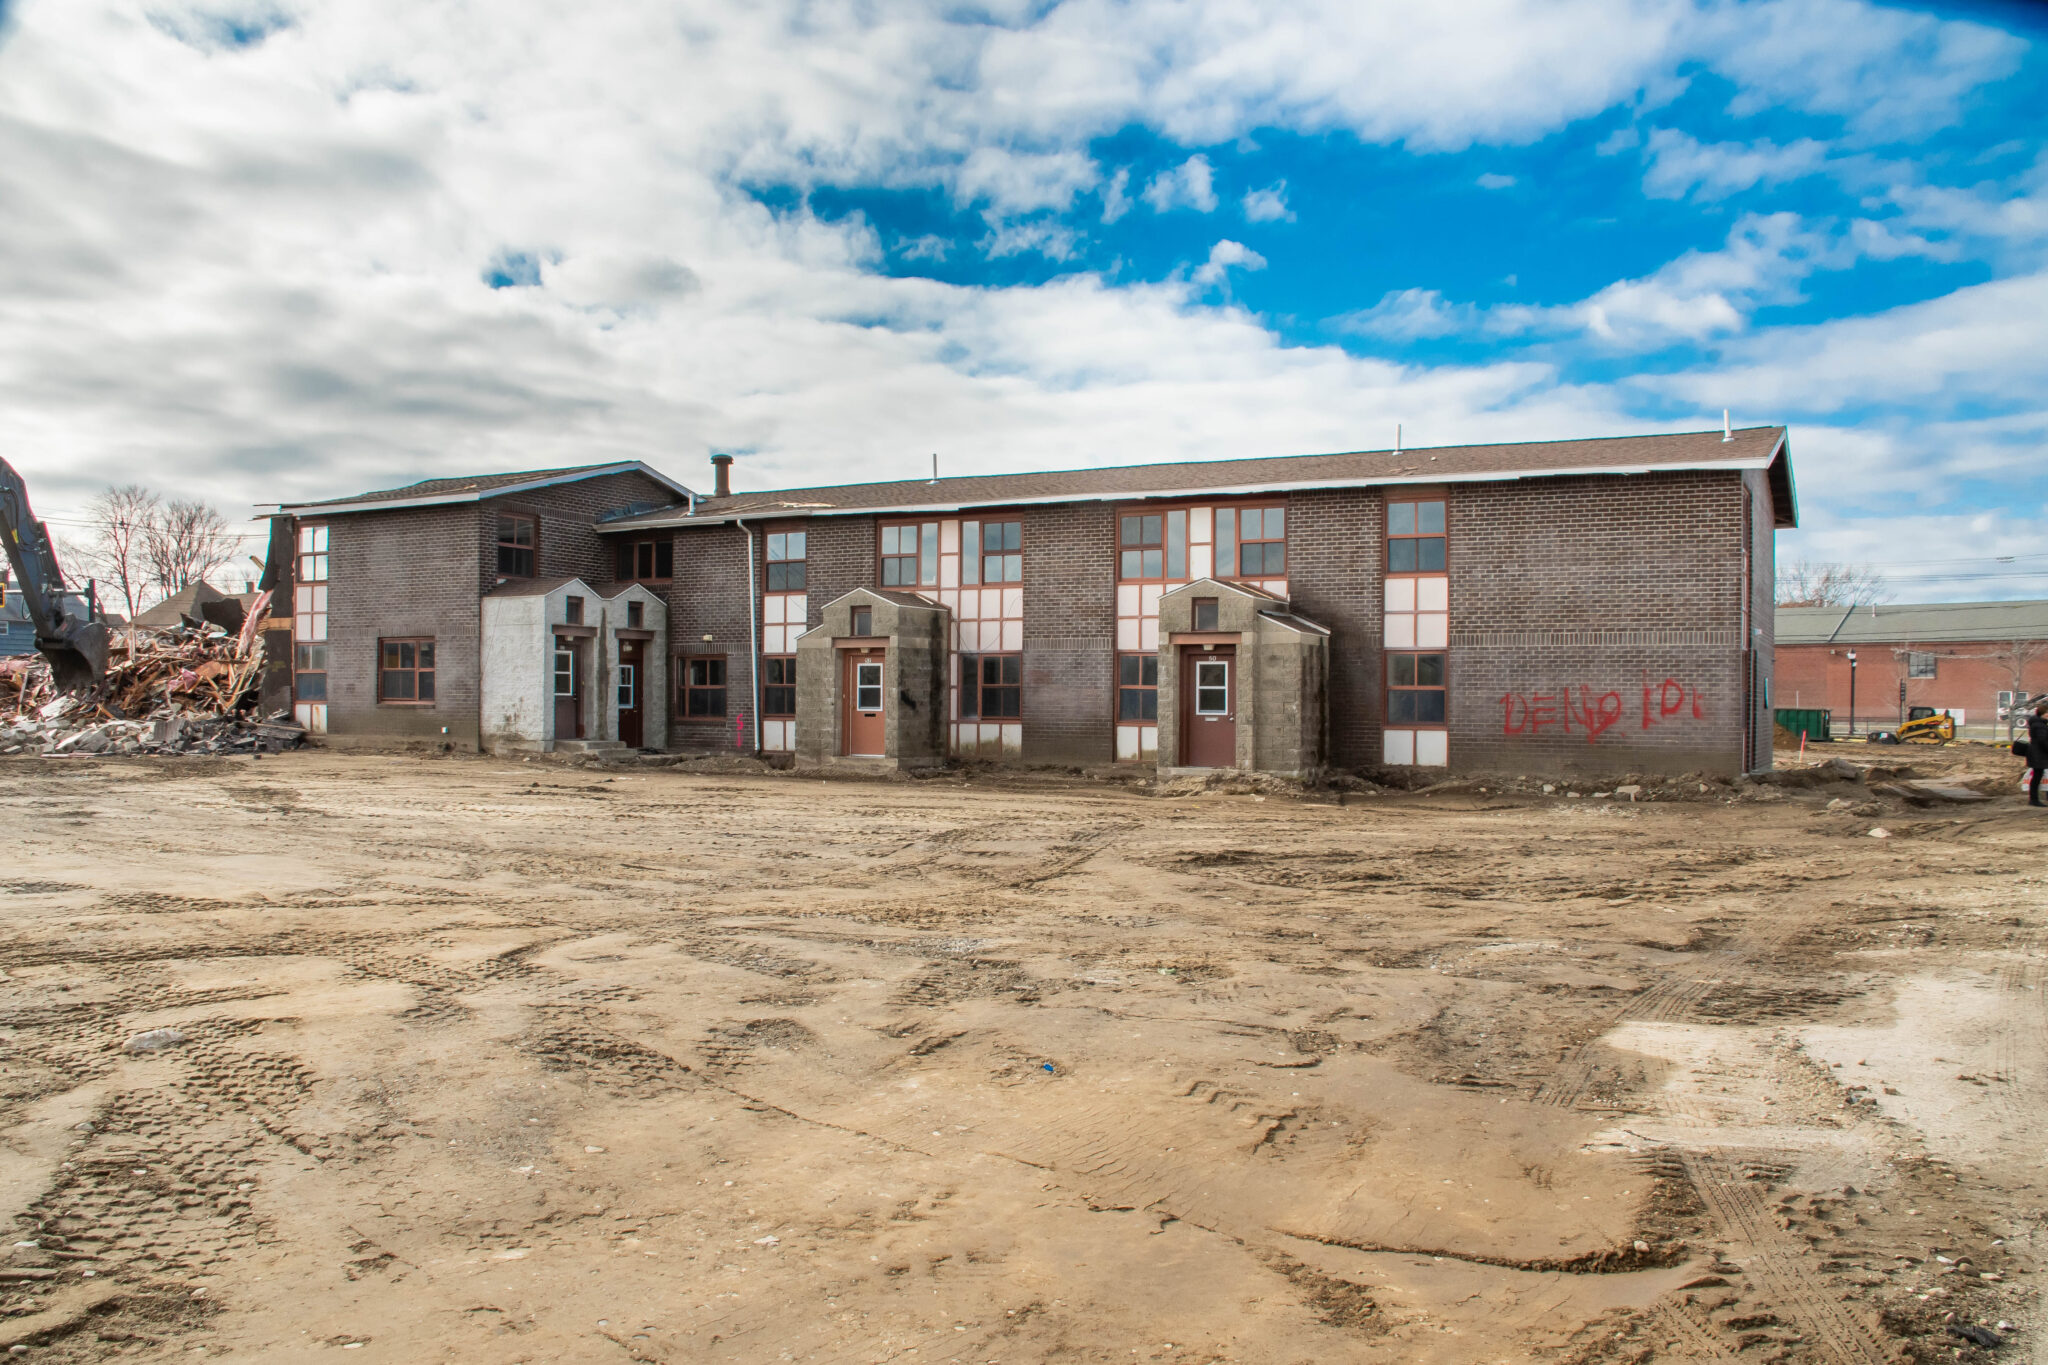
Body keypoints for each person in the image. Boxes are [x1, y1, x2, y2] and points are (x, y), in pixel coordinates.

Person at [2031, 701, 2048, 807]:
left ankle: (2034, 799)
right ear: (2043, 714)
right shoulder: (2040, 726)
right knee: (2037, 776)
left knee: (2038, 775)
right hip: (2039, 754)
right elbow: (2043, 741)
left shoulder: (2039, 724)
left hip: (2037, 753)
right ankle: (2034, 799)